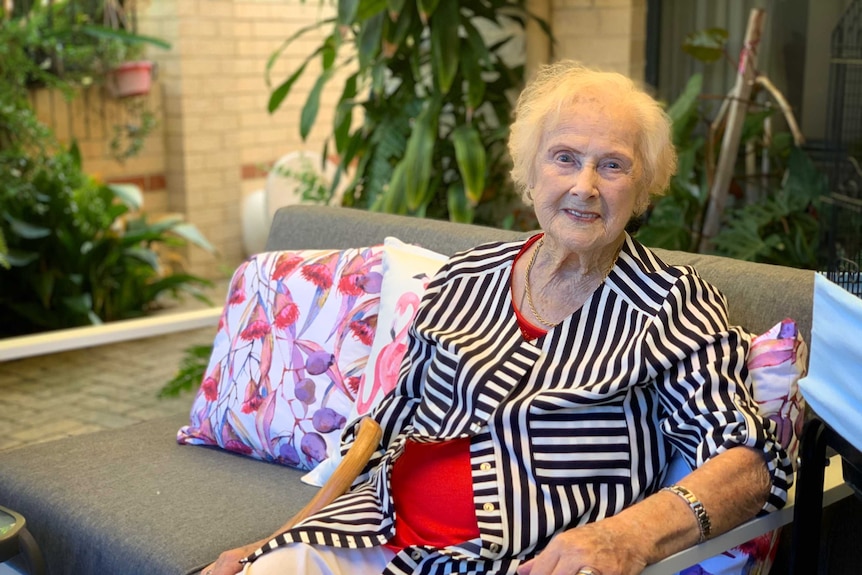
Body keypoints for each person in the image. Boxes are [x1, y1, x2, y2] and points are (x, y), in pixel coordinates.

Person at [204, 60, 793, 575]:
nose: (584, 186)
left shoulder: (671, 304)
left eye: (612, 166)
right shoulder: (465, 277)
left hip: (513, 559)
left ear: (641, 190)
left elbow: (747, 464)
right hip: (370, 530)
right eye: (565, 158)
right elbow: (379, 434)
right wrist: (276, 542)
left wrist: (626, 537)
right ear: (531, 172)